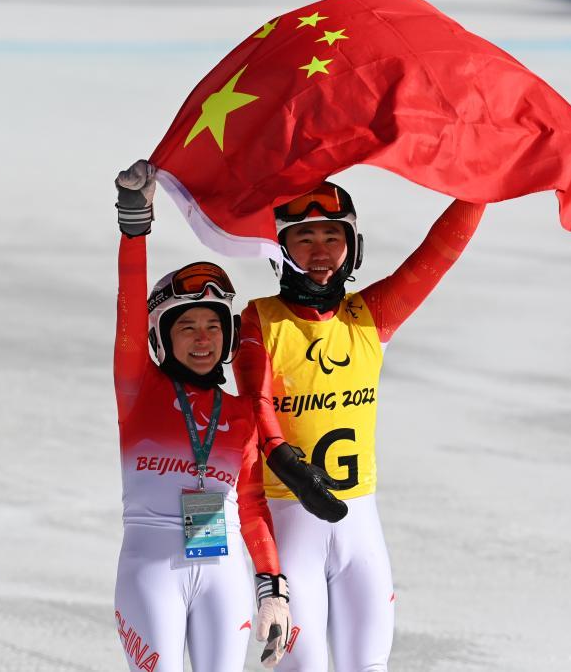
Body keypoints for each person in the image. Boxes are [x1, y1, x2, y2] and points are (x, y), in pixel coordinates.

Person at [233, 181, 486, 671]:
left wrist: (485, 182)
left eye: (333, 237)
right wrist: (289, 465)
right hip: (290, 522)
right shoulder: (259, 320)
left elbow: (440, 251)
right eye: (305, 238)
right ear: (279, 248)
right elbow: (254, 404)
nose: (320, 252)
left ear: (353, 246)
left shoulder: (372, 315)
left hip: (360, 528)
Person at [111, 160, 291, 671]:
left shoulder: (241, 414)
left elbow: (251, 505)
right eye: (186, 326)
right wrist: (133, 228)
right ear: (161, 337)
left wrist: (272, 588)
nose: (201, 338)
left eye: (212, 326)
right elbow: (129, 306)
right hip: (152, 570)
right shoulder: (138, 388)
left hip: (224, 572)